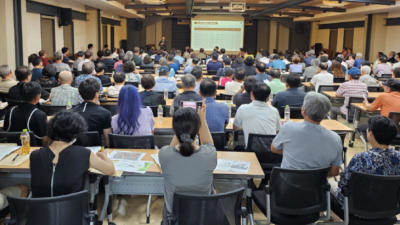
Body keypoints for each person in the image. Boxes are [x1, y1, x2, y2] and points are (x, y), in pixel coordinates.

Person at [30, 110, 115, 198]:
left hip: (38, 209)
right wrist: (105, 156)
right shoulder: (84, 153)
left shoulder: (34, 155)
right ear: (76, 133)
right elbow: (111, 170)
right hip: (73, 210)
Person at [330, 116, 400, 218]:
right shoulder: (398, 157)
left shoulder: (361, 158)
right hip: (387, 210)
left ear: (371, 133)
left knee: (328, 185)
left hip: (357, 211)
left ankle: (335, 219)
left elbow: (343, 184)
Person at [159, 103, 216, 224]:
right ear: (197, 130)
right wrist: (202, 120)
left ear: (174, 130)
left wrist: (181, 127)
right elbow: (209, 143)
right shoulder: (209, 154)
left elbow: (172, 148)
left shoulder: (164, 154)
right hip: (203, 214)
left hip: (175, 215)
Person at [271, 92, 342, 177]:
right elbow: (334, 172)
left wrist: (291, 151)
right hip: (317, 188)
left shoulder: (288, 127)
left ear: (303, 110)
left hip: (285, 186)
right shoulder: (336, 138)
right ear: (325, 114)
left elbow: (274, 149)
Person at [233, 82, 281, 147]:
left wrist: (244, 126)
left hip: (251, 152)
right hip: (270, 152)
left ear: (251, 94)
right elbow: (278, 130)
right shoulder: (274, 110)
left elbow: (235, 127)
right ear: (267, 97)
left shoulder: (242, 108)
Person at [4, 82, 50, 146]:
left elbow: (5, 132)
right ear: (37, 97)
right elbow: (45, 140)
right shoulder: (39, 115)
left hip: (12, 149)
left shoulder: (10, 110)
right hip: (33, 151)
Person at [71, 78, 112, 147]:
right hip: (96, 152)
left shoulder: (71, 112)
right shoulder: (105, 113)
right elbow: (108, 142)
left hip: (74, 152)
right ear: (96, 94)